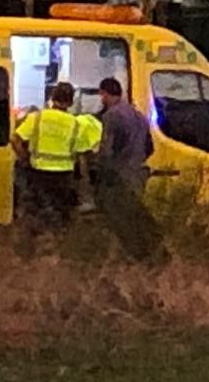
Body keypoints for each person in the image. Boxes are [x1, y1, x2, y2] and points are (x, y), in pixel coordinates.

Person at [11, 82, 102, 228]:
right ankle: (58, 242)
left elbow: (15, 139)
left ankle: (38, 243)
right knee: (61, 216)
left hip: (38, 173)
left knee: (38, 213)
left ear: (52, 98)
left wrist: (25, 158)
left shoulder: (36, 117)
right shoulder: (75, 123)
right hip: (63, 176)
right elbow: (81, 151)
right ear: (71, 101)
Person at [94, 77, 158, 256]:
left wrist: (100, 168)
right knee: (134, 218)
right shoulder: (139, 115)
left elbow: (106, 150)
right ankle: (143, 255)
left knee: (119, 221)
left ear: (106, 93)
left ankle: (123, 255)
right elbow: (150, 148)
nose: (102, 100)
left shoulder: (112, 116)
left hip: (120, 176)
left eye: (102, 95)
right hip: (138, 174)